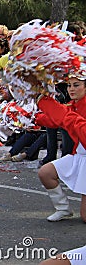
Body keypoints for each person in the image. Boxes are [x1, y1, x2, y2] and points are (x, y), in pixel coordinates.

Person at [36, 70, 86, 222]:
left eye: (76, 85)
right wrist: (31, 117)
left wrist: (45, 103)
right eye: (69, 85)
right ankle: (63, 209)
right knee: (46, 173)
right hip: (79, 156)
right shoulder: (74, 105)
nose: (71, 89)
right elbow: (56, 120)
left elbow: (69, 120)